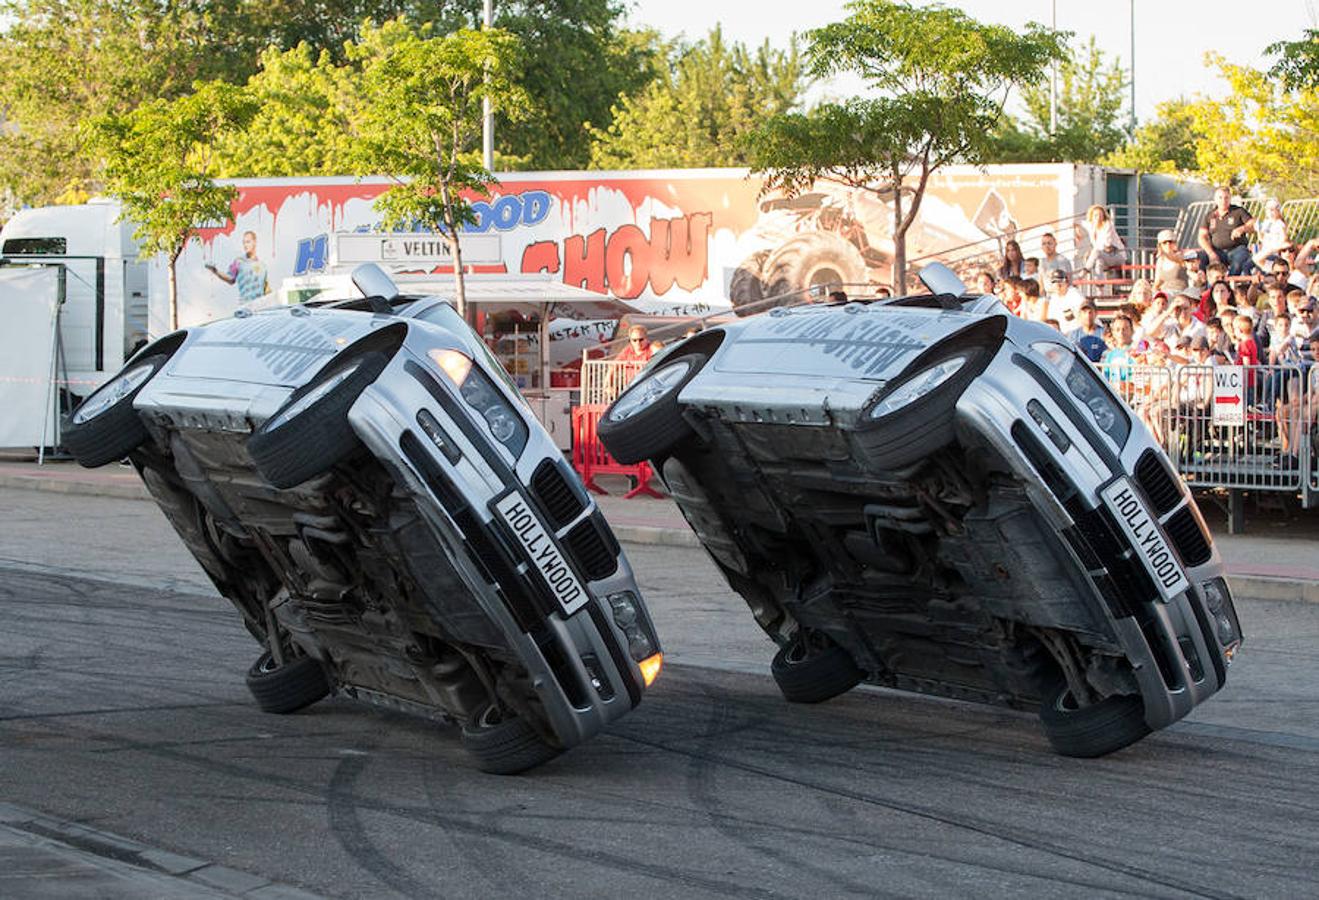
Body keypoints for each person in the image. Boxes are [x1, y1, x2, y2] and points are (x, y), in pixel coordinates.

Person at [1198, 186, 1255, 276]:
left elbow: (1253, 224)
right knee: (1202, 256)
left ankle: (1230, 282)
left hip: (1236, 249)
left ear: (1230, 199)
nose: (1223, 200)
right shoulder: (1210, 215)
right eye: (1220, 198)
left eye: (1226, 197)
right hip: (1217, 251)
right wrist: (1211, 253)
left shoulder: (1238, 211)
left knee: (1241, 257)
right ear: (1215, 199)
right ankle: (1206, 284)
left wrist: (1243, 228)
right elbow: (1201, 236)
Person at [206, 230, 269, 302]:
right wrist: (215, 271)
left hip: (260, 306)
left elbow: (266, 289)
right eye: (244, 243)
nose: (245, 245)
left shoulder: (263, 266)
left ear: (254, 242)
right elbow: (230, 279)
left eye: (248, 242)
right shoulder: (239, 262)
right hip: (245, 305)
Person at [1082, 204, 1126, 276]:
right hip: (1105, 256)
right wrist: (1077, 229)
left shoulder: (1108, 225)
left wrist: (1091, 253)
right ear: (1092, 217)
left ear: (1103, 216)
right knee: (1099, 262)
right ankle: (1100, 286)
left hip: (1116, 255)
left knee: (1096, 253)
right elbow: (1078, 222)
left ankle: (1085, 271)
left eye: (1100, 215)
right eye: (1096, 215)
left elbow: (1106, 244)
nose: (1098, 217)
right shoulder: (1092, 227)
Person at [1251, 198, 1290, 269]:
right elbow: (1261, 239)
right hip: (1265, 252)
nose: (1270, 212)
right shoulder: (1266, 223)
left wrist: (1273, 248)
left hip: (1273, 253)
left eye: (1272, 210)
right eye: (1268, 210)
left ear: (1278, 211)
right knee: (1248, 264)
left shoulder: (1280, 224)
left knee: (1254, 262)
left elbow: (1284, 239)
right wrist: (1258, 230)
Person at [1152, 229, 1188, 294]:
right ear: (1160, 245)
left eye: (1170, 242)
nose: (1168, 245)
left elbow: (1180, 262)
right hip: (1164, 293)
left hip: (1180, 293)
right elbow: (1157, 282)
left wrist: (1168, 254)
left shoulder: (1182, 256)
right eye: (1164, 243)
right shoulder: (1160, 261)